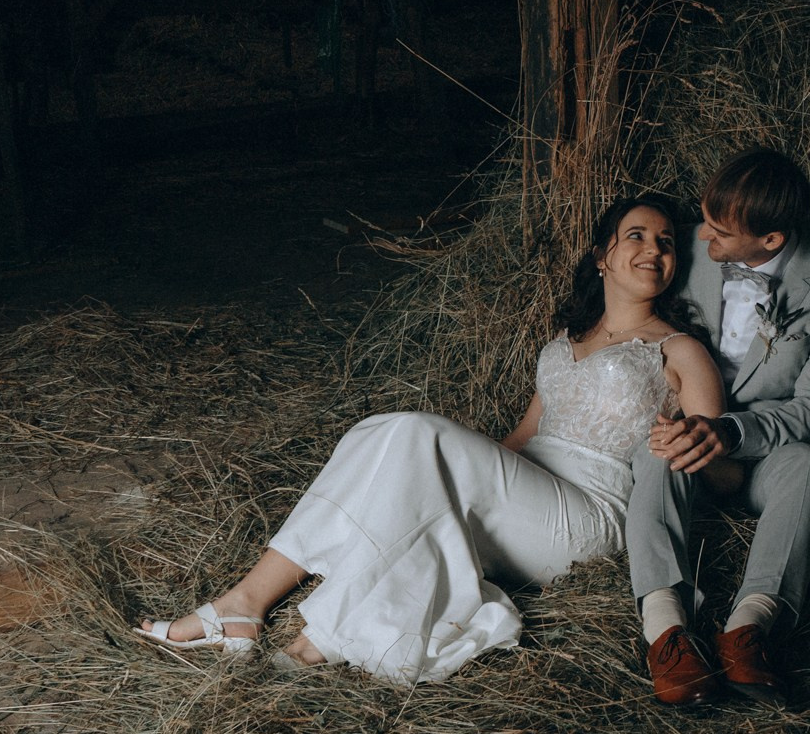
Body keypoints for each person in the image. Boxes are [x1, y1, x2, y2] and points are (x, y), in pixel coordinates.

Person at [133, 197, 721, 685]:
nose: (654, 250)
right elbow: (520, 441)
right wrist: (440, 471)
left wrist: (686, 441)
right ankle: (260, 617)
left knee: (413, 432)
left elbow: (714, 465)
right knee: (388, 439)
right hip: (525, 498)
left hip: (588, 517)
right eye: (637, 236)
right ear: (603, 256)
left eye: (667, 242)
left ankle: (257, 609)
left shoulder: (679, 350)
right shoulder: (563, 343)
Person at [628, 149, 810, 707]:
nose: (701, 238)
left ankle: (749, 629)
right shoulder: (684, 248)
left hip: (762, 453)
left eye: (720, 232)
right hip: (683, 432)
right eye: (705, 219)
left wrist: (732, 432)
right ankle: (666, 632)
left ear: (772, 240)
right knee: (654, 448)